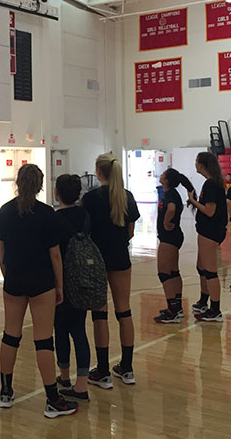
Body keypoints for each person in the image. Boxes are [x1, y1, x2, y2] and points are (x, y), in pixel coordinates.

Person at [0, 164, 78, 418]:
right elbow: (55, 254)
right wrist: (59, 285)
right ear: (40, 185)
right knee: (43, 340)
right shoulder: (47, 213)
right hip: (42, 282)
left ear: (18, 183)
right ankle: (52, 398)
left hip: (15, 279)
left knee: (10, 335)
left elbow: (1, 250)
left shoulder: (5, 212)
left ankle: (6, 391)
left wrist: (8, 274)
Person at [82, 153, 140, 388]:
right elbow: (130, 232)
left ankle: (103, 371)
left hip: (96, 260)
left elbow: (84, 232)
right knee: (124, 311)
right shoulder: (127, 197)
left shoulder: (90, 198)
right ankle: (127, 368)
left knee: (100, 314)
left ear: (98, 171)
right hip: (120, 258)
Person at [52, 174, 91, 402]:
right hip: (83, 280)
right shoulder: (86, 215)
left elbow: (53, 253)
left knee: (61, 330)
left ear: (57, 193)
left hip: (63, 280)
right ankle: (82, 383)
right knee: (79, 330)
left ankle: (64, 376)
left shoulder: (55, 219)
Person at [187, 151, 228, 322]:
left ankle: (215, 310)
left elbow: (210, 211)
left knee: (210, 271)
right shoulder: (211, 183)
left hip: (211, 231)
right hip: (206, 230)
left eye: (196, 162)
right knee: (201, 267)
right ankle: (204, 301)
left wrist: (193, 201)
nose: (195, 165)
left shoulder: (212, 185)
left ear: (201, 165)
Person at [153, 168, 193, 324]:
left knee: (164, 273)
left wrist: (165, 222)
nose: (160, 176)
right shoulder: (172, 194)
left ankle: (173, 311)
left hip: (169, 237)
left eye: (163, 175)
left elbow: (171, 209)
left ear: (167, 180)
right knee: (173, 272)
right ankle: (177, 307)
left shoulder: (170, 195)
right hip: (173, 236)